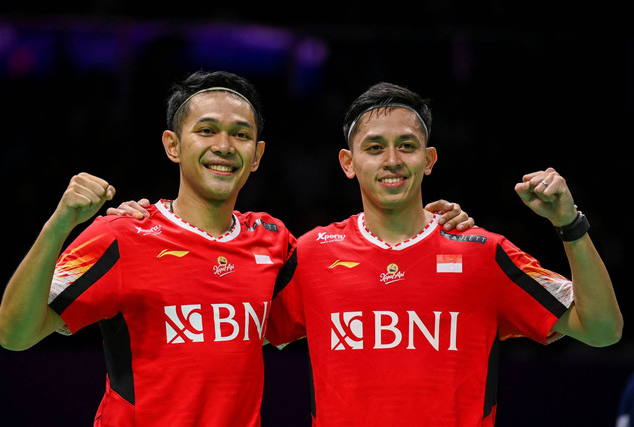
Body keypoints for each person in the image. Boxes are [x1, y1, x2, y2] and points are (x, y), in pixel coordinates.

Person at [0, 71, 473, 426]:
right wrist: (60, 226)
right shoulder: (123, 235)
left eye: (240, 135)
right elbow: (14, 334)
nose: (224, 146)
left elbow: (363, 284)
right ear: (172, 145)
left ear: (257, 155)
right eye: (206, 131)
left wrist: (435, 231)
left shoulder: (274, 242)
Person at [263, 82, 623, 426]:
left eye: (407, 145)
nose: (392, 160)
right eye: (374, 148)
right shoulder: (313, 254)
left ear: (429, 159)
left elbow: (603, 329)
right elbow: (236, 333)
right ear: (348, 162)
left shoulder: (483, 254)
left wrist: (569, 223)